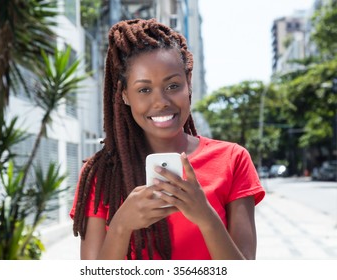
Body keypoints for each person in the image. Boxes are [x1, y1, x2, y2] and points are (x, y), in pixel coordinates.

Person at [70, 18, 265, 260]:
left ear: (188, 84)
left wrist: (206, 218)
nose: (161, 101)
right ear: (125, 96)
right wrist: (121, 225)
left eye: (173, 86)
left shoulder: (233, 159)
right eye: (144, 89)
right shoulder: (100, 174)